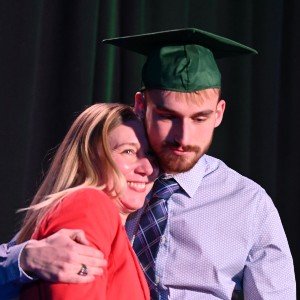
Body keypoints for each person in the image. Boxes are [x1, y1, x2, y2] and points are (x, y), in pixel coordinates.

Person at [0, 28, 296, 299]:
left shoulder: (250, 204)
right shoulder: (104, 188)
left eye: (200, 118)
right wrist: (25, 259)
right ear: (141, 105)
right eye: (168, 116)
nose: (183, 137)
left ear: (219, 114)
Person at [3, 102, 159, 299]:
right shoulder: (90, 205)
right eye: (128, 151)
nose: (147, 168)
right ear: (87, 159)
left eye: (151, 154)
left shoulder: (110, 224)